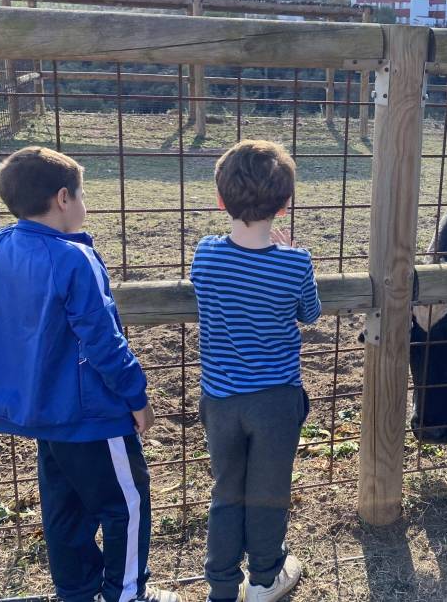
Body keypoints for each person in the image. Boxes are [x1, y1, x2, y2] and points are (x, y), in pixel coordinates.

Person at [0, 147, 178, 602]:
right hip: (92, 413)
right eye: (83, 194)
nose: (86, 203)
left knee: (64, 507)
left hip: (40, 411)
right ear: (63, 197)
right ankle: (127, 594)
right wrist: (136, 396)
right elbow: (104, 339)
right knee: (126, 504)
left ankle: (77, 592)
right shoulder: (74, 259)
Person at [190, 140, 321, 602]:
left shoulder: (205, 254)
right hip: (275, 400)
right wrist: (290, 256)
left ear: (220, 199)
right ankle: (265, 578)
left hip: (221, 400)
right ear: (285, 205)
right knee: (269, 491)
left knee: (227, 490)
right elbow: (310, 313)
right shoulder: (295, 262)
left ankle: (223, 586)